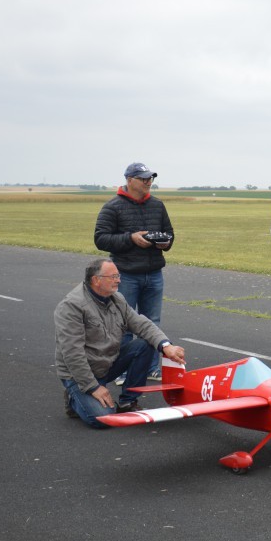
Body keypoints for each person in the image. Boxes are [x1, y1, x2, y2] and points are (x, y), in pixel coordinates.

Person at [55, 258, 186, 428]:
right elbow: (73, 354)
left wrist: (166, 346)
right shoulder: (72, 306)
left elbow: (141, 323)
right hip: (80, 374)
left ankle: (127, 402)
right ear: (96, 280)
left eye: (118, 275)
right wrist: (93, 387)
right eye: (113, 276)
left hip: (107, 362)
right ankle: (73, 398)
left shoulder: (116, 298)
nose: (118, 280)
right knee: (104, 420)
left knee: (145, 345)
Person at [94, 162, 174, 381]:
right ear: (130, 180)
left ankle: (150, 368)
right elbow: (100, 239)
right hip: (125, 274)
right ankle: (122, 370)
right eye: (144, 178)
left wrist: (165, 243)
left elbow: (169, 233)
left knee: (152, 323)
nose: (148, 182)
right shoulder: (113, 206)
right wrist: (131, 238)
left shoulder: (157, 205)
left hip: (154, 273)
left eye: (150, 178)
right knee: (123, 325)